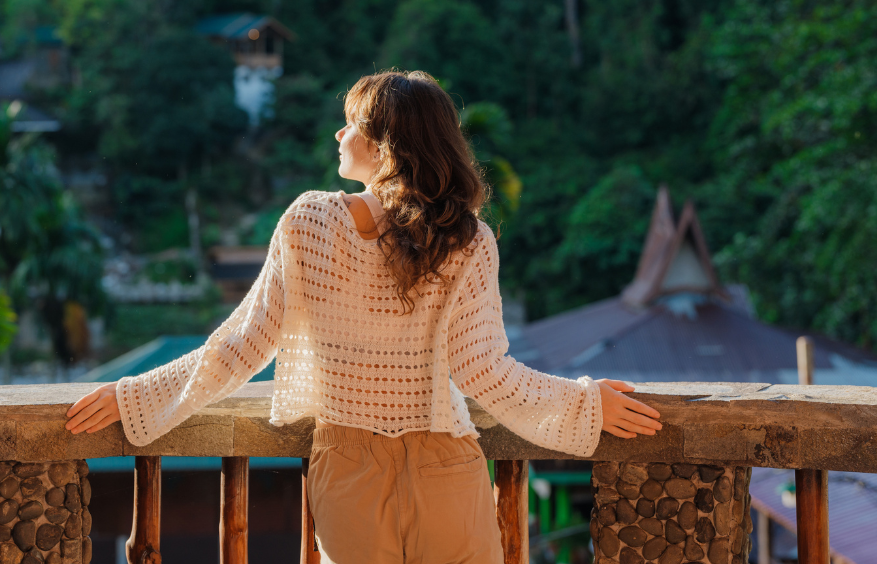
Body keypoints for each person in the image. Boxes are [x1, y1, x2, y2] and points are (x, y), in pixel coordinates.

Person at [66, 70, 662, 563]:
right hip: (447, 467)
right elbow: (485, 374)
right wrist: (586, 405)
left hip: (349, 470)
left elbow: (244, 347)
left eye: (351, 122)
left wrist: (134, 397)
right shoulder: (469, 237)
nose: (338, 132)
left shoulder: (311, 221)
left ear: (383, 144)